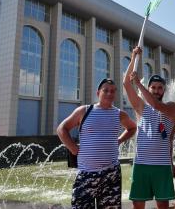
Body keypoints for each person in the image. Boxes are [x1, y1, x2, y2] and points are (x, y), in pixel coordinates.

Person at [57, 78, 137, 209]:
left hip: (111, 174)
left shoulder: (119, 114)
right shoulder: (84, 111)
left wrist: (119, 141)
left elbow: (132, 128)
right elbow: (62, 129)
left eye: (112, 91)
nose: (109, 94)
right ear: (98, 93)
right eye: (105, 91)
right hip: (87, 174)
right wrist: (73, 149)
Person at [123, 46, 175, 209]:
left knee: (163, 205)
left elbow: (155, 104)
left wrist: (139, 84)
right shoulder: (141, 107)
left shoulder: (172, 107)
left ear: (164, 90)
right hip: (141, 164)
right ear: (149, 88)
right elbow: (126, 83)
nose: (156, 90)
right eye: (153, 87)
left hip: (162, 166)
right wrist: (133, 58)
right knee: (138, 205)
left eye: (159, 87)